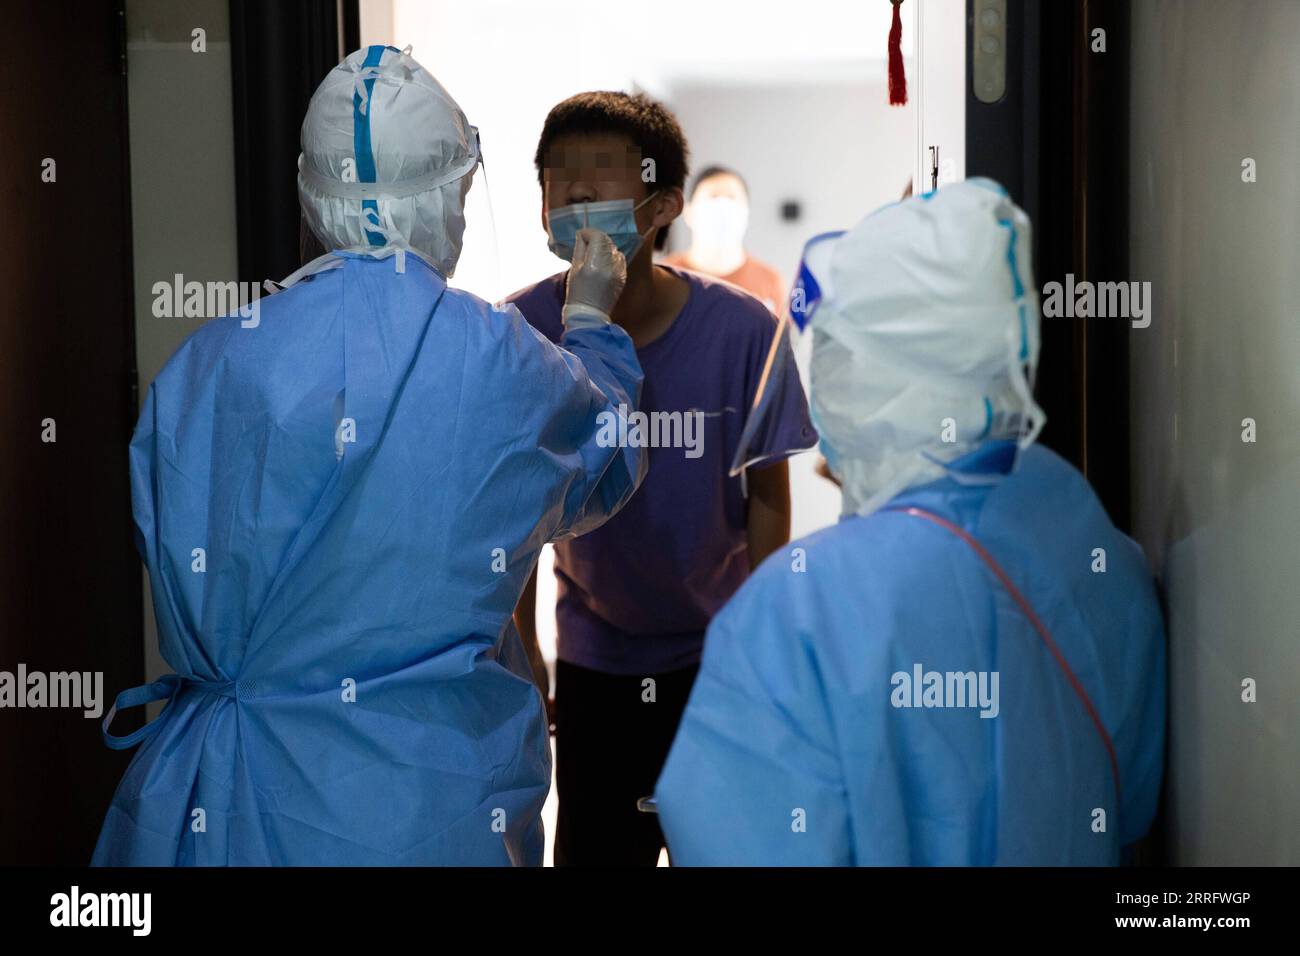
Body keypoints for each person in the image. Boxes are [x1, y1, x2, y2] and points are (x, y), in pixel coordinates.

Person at [92, 46, 646, 866]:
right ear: (451, 196)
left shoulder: (210, 362)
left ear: (314, 196)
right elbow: (607, 465)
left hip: (221, 796)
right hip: (428, 804)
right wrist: (594, 326)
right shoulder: (500, 359)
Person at [655, 179, 1166, 865]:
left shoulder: (796, 611)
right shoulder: (1091, 543)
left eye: (831, 355)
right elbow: (1130, 802)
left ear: (867, 373)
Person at [508, 92, 818, 866]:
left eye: (598, 180)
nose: (574, 198)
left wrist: (761, 646)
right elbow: (508, 513)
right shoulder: (516, 334)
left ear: (662, 204)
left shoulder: (746, 331)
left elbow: (770, 501)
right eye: (558, 180)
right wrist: (525, 648)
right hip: (593, 661)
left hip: (716, 661)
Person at [662, 165, 786, 313]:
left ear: (746, 213)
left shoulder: (769, 281)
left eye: (732, 197)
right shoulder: (664, 276)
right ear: (688, 213)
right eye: (713, 196)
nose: (723, 208)